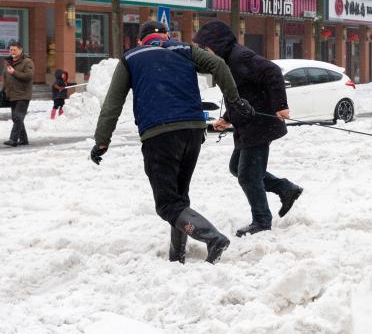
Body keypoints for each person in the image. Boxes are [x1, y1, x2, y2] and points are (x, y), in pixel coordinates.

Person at [91, 21, 253, 264]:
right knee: (179, 198)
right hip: (193, 131)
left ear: (140, 40)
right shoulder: (184, 50)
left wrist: (102, 140)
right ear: (167, 35)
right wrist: (234, 99)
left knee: (167, 205)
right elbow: (218, 64)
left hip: (159, 134)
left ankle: (212, 238)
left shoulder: (131, 57)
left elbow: (113, 103)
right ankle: (176, 257)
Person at [194, 20, 304, 238]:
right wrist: (227, 118)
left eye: (206, 48)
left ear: (216, 44)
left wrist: (281, 106)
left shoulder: (239, 58)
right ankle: (285, 188)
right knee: (237, 167)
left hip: (260, 124)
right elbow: (239, 94)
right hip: (248, 125)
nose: (205, 53)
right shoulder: (226, 61)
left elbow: (272, 72)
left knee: (248, 176)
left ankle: (262, 221)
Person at [3, 40, 33, 147]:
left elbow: (28, 76)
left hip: (23, 94)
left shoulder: (27, 62)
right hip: (12, 94)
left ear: (20, 50)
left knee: (18, 117)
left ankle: (13, 139)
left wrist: (14, 72)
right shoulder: (8, 62)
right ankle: (24, 139)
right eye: (11, 50)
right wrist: (4, 91)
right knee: (16, 117)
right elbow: (6, 78)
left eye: (14, 49)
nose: (12, 51)